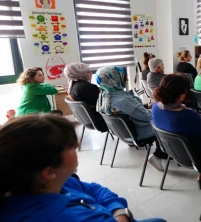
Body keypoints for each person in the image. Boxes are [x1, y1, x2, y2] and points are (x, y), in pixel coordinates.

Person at [0, 115, 166, 222]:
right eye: (70, 147)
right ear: (49, 171)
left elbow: (94, 188)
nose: (78, 146)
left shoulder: (47, 184)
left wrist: (118, 213)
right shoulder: (74, 218)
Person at [96, 66, 168, 171]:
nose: (127, 79)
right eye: (124, 77)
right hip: (139, 132)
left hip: (123, 132)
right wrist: (159, 109)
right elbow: (148, 117)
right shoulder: (123, 100)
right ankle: (159, 155)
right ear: (114, 80)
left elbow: (135, 112)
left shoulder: (104, 96)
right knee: (167, 124)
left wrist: (145, 108)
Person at [64, 62, 108, 132]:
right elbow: (103, 105)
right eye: (87, 72)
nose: (91, 73)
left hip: (86, 120)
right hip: (101, 121)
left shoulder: (72, 86)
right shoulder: (88, 87)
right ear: (79, 74)